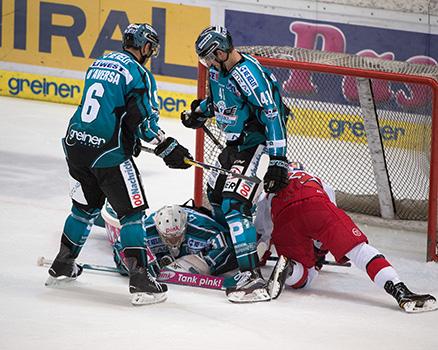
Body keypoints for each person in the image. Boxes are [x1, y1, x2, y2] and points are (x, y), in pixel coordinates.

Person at [46, 23, 193, 306]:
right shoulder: (139, 74)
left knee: (83, 209)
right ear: (144, 45)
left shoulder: (99, 62)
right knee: (132, 213)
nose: (151, 52)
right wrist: (168, 147)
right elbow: (144, 121)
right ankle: (140, 281)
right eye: (151, 46)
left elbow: (107, 109)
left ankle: (62, 265)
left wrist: (128, 135)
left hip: (76, 145)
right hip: (108, 153)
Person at [181, 25, 290, 303]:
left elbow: (272, 115)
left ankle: (251, 274)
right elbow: (219, 103)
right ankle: (232, 250)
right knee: (216, 194)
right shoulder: (218, 70)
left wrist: (278, 160)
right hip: (233, 143)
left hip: (252, 142)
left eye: (207, 57)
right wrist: (198, 113)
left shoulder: (249, 74)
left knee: (233, 202)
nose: (206, 64)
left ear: (219, 51)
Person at [256, 163, 437, 313]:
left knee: (305, 277)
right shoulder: (312, 177)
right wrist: (319, 251)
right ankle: (400, 290)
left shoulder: (267, 193)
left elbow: (264, 234)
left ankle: (291, 267)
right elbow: (326, 222)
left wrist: (261, 257)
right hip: (316, 203)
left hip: (284, 218)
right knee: (359, 250)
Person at [101, 201, 238, 278]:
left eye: (177, 236)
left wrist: (207, 263)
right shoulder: (147, 229)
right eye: (168, 237)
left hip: (200, 221)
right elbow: (120, 247)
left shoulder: (203, 228)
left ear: (186, 227)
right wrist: (140, 265)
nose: (173, 241)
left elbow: (229, 245)